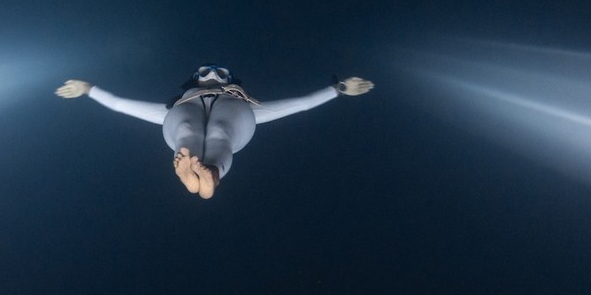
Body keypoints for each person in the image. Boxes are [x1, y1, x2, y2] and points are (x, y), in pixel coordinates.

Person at [55, 65, 374, 199]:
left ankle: (204, 174)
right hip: (188, 118)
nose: (211, 75)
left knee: (216, 132)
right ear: (195, 79)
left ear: (229, 78)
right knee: (189, 129)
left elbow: (300, 104)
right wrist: (89, 89)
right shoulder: (179, 104)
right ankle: (204, 173)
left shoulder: (243, 102)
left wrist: (339, 89)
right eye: (206, 71)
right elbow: (121, 105)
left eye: (219, 72)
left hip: (229, 115)